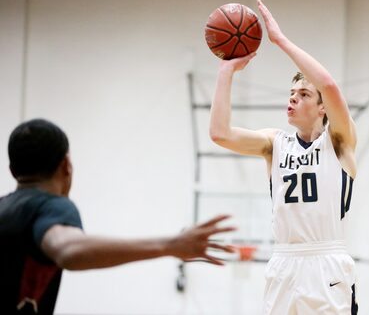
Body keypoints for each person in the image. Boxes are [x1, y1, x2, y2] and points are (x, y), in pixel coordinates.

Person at [209, 0, 358, 315]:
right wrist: (226, 70)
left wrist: (280, 41)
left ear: (322, 108)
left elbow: (329, 85)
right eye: (291, 94)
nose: (293, 98)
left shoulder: (339, 141)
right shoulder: (274, 143)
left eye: (303, 94)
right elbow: (220, 133)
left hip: (326, 264)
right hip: (283, 263)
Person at [0, 118, 236, 315]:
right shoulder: (53, 207)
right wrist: (170, 244)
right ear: (66, 166)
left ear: (12, 170)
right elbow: (67, 250)